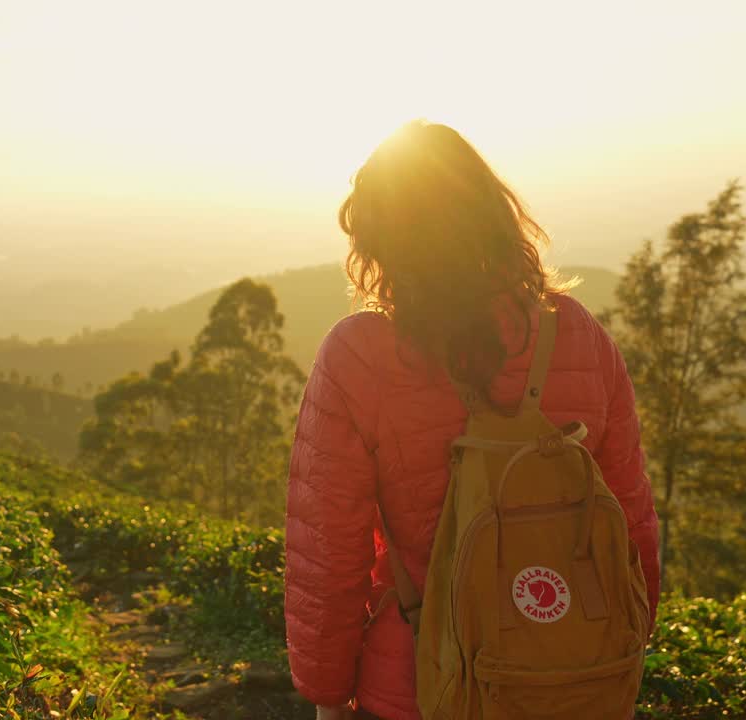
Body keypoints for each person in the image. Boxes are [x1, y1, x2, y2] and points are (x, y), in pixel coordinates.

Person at [283, 120, 661, 720]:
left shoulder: (359, 355)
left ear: (379, 238)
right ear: (493, 213)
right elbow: (632, 522)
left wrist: (328, 693)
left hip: (419, 686)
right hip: (574, 679)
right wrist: (615, 649)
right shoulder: (579, 336)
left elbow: (328, 554)